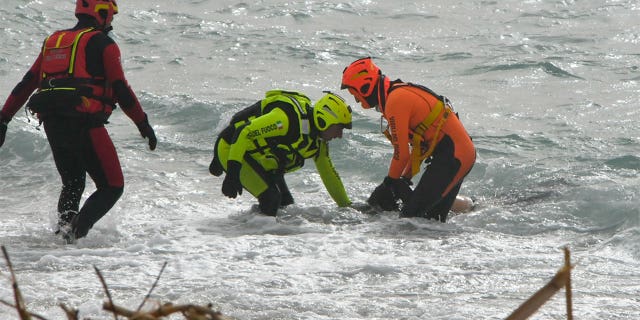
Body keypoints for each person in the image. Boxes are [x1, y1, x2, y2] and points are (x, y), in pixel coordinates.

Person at [0, 0, 157, 243]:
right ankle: (72, 236)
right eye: (111, 14)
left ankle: (63, 240)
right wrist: (143, 124)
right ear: (101, 13)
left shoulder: (53, 41)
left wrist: (4, 119)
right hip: (84, 123)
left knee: (73, 183)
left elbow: (27, 83)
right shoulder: (104, 44)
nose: (112, 20)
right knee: (112, 187)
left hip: (52, 123)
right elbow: (120, 90)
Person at [341, 57, 476, 222]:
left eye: (355, 95)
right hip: (456, 154)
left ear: (365, 87)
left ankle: (472, 207)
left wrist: (389, 183)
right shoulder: (396, 95)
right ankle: (472, 207)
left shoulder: (395, 101)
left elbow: (401, 153)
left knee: (411, 221)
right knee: (431, 220)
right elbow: (418, 149)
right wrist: (404, 179)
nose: (357, 101)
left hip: (454, 155)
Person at [209, 90, 352, 216]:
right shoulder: (285, 120)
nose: (340, 135)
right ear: (323, 121)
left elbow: (329, 175)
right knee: (271, 199)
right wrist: (233, 174)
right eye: (339, 128)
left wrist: (348, 208)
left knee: (286, 207)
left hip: (258, 160)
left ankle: (261, 233)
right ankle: (243, 238)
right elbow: (243, 132)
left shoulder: (318, 143)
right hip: (230, 148)